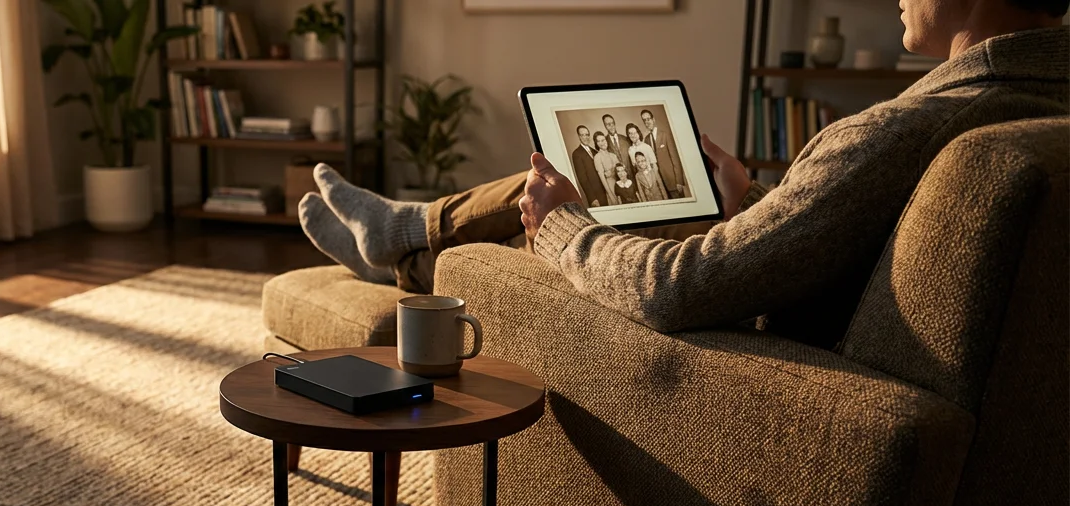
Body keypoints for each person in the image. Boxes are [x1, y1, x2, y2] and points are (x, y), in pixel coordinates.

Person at [297, 0, 1067, 347]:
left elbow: (678, 288)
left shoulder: (903, 127)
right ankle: (408, 232)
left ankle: (413, 244)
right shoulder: (1037, 101)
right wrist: (754, 201)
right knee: (628, 184)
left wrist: (565, 230)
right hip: (798, 285)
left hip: (756, 329)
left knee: (578, 204)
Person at [641, 109, 686, 198]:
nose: (647, 122)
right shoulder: (646, 140)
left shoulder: (665, 135)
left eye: (648, 119)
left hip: (673, 182)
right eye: (644, 120)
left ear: (653, 119)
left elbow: (675, 159)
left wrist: (679, 181)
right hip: (660, 184)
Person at [568, 125, 604, 207]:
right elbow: (582, 179)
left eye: (587, 135)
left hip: (605, 192)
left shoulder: (595, 152)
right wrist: (592, 199)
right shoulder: (577, 154)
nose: (585, 137)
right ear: (579, 137)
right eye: (582, 135)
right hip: (595, 197)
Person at [592, 131, 618, 206]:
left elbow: (619, 169)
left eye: (603, 140)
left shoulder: (613, 155)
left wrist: (612, 171)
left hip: (619, 183)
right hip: (610, 186)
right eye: (598, 141)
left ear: (606, 140)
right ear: (596, 144)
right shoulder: (597, 157)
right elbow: (602, 177)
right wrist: (610, 195)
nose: (601, 143)